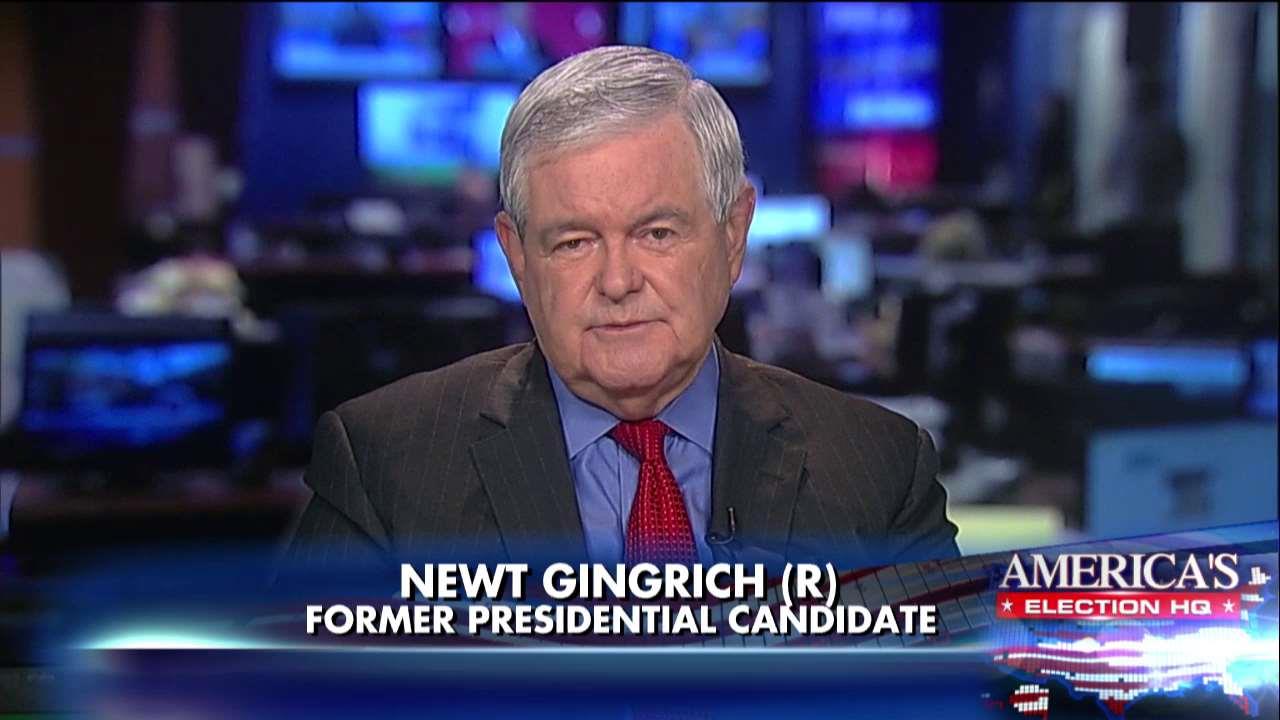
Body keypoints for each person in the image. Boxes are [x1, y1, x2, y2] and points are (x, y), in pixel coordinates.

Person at [283, 46, 958, 570]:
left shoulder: (877, 472)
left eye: (656, 234)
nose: (617, 281)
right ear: (517, 256)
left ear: (733, 235)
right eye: (574, 242)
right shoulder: (385, 471)